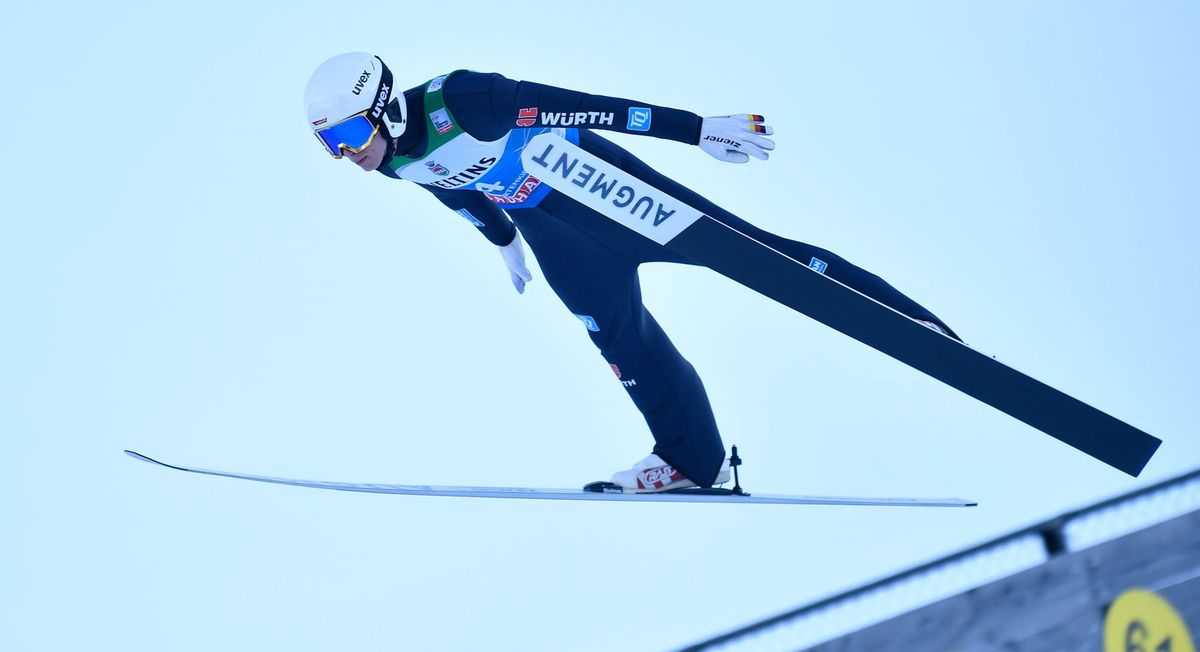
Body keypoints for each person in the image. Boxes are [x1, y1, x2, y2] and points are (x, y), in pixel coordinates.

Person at [302, 53, 959, 493]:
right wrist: (503, 240)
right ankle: (693, 463)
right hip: (556, 234)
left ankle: (916, 324)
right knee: (618, 339)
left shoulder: (467, 99)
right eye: (330, 145)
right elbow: (452, 189)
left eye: (349, 136)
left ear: (383, 107)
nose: (347, 156)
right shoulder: (391, 162)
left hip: (603, 191)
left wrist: (696, 129)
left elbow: (590, 108)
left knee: (756, 255)